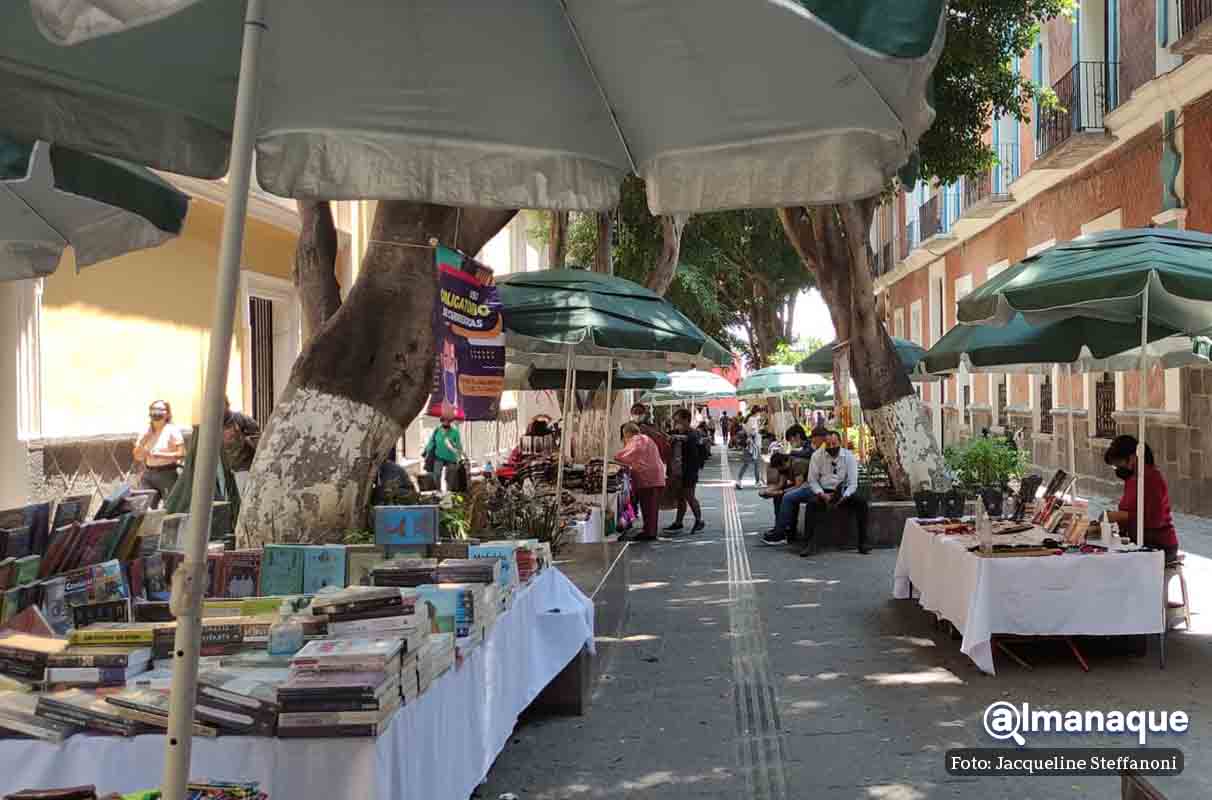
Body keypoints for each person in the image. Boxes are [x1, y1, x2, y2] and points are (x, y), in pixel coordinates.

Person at [1103, 435, 1179, 562]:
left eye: (1118, 464)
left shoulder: (1152, 479)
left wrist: (1123, 516)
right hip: (1138, 539)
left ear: (1132, 458)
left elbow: (1156, 519)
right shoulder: (1132, 478)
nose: (1118, 469)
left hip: (1159, 545)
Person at [800, 430, 870, 556]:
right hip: (824, 492)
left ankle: (863, 543)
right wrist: (822, 494)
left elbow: (853, 483)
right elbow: (812, 480)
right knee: (811, 506)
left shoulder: (849, 457)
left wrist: (845, 496)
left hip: (843, 492)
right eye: (828, 445)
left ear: (840, 443)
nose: (831, 447)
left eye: (834, 444)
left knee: (862, 503)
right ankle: (808, 544)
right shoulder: (817, 456)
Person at [614, 422, 667, 541]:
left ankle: (649, 533)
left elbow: (628, 454)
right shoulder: (646, 438)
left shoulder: (637, 439)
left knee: (649, 508)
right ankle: (626, 523)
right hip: (653, 476)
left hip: (648, 478)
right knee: (636, 503)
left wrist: (616, 457)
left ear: (627, 434)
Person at [133, 399, 185, 507]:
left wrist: (160, 455)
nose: (156, 413)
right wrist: (145, 439)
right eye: (154, 410)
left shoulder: (172, 430)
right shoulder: (145, 430)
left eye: (160, 410)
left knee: (170, 508)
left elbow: (182, 453)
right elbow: (137, 456)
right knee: (144, 509)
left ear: (167, 414)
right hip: (148, 474)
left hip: (167, 473)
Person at [757, 452, 811, 545]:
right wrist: (768, 491)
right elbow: (781, 485)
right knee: (778, 497)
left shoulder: (798, 464)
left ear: (784, 462)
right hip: (801, 486)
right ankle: (780, 527)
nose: (779, 471)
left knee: (787, 497)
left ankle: (781, 533)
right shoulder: (783, 468)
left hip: (809, 486)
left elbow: (798, 486)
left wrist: (779, 492)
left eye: (779, 468)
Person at [666, 408, 706, 533]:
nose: (676, 424)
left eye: (678, 421)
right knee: (681, 498)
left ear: (686, 420)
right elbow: (667, 436)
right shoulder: (676, 432)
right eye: (675, 421)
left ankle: (699, 520)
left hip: (689, 472)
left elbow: (688, 439)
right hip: (678, 471)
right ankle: (678, 522)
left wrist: (677, 437)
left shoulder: (693, 433)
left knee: (689, 496)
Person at [221, 396, 261, 495]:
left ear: (227, 405)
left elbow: (258, 443)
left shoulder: (241, 420)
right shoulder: (214, 423)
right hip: (226, 472)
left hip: (244, 469)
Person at [425, 412, 464, 492]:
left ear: (450, 422)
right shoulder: (437, 430)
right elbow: (432, 441)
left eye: (448, 421)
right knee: (437, 474)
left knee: (450, 477)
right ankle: (438, 490)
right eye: (444, 421)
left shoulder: (455, 432)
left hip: (451, 457)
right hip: (438, 456)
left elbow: (459, 445)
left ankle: (448, 492)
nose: (446, 422)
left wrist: (459, 456)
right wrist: (427, 450)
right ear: (441, 421)